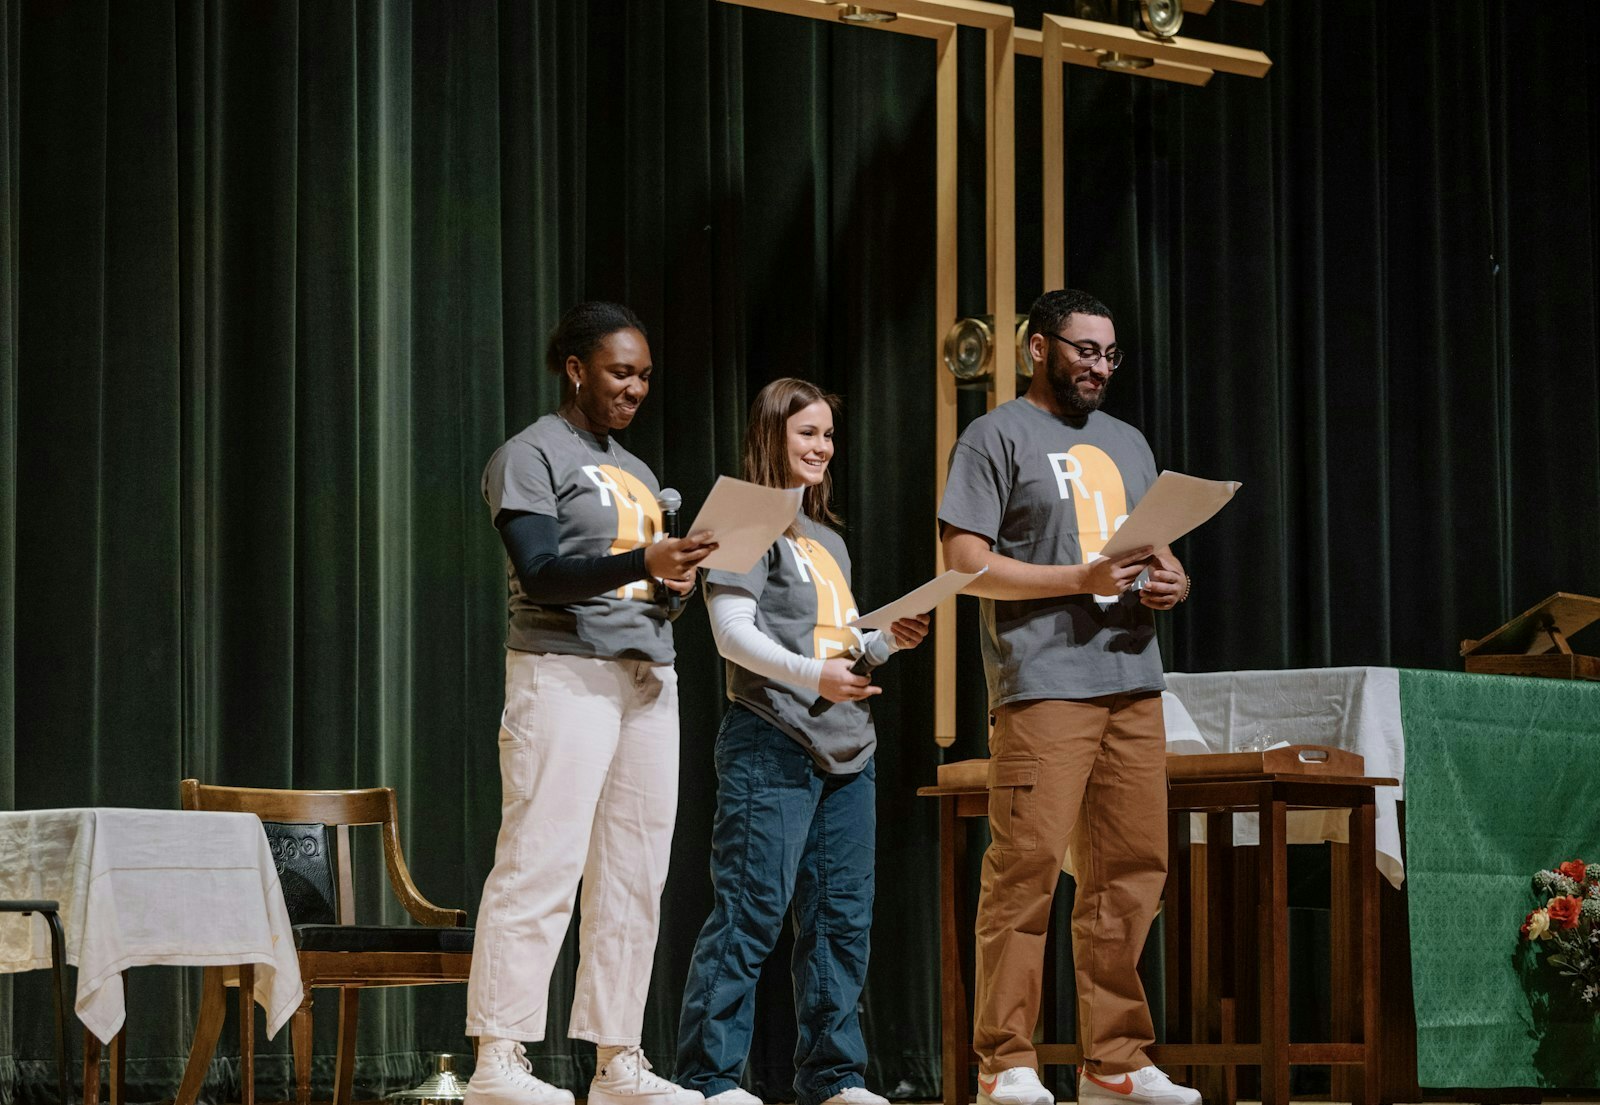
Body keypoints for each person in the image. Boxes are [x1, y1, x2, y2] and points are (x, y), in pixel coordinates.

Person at [937, 290, 1198, 1105]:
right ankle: (1005, 1060)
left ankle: (1113, 1059)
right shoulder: (994, 435)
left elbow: (1155, 553)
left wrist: (1170, 580)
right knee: (1027, 871)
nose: (1099, 367)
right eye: (1084, 350)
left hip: (1132, 678)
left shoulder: (1128, 442)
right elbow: (964, 561)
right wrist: (1076, 580)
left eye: (1110, 353)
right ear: (1038, 349)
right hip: (1044, 683)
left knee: (1131, 873)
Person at [466, 302, 716, 1105]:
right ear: (575, 368)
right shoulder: (530, 454)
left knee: (635, 874)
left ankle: (617, 1061)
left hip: (648, 678)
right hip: (562, 671)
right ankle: (498, 1056)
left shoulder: (638, 473)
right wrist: (641, 556)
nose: (635, 387)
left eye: (644, 375)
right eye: (619, 371)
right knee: (541, 858)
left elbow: (641, 586)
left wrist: (673, 581)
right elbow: (542, 571)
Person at [674, 378, 930, 1105]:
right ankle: (711, 1076)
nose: (821, 448)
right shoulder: (745, 519)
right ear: (771, 437)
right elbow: (731, 635)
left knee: (841, 920)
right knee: (751, 910)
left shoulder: (831, 542)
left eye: (826, 435)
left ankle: (833, 1075)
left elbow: (835, 650)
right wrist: (816, 671)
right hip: (773, 739)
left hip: (850, 749)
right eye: (806, 434)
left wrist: (883, 644)